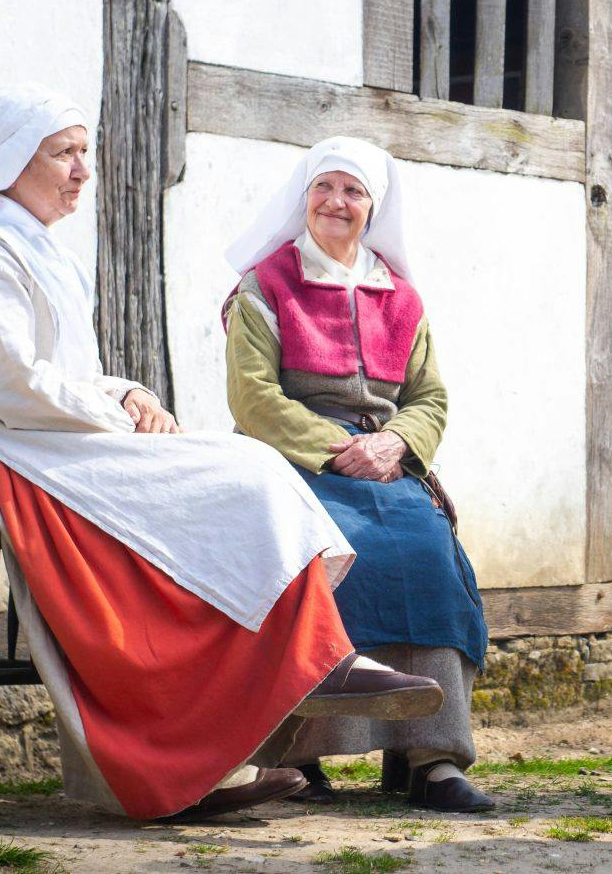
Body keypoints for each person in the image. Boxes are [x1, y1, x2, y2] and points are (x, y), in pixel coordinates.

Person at [0, 86, 443, 822]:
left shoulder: (34, 246)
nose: (83, 169)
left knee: (242, 473)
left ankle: (281, 687)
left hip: (34, 430)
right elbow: (13, 387)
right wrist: (117, 409)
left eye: (85, 152)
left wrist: (127, 389)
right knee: (240, 473)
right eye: (64, 153)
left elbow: (49, 378)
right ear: (14, 161)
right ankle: (280, 687)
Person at [221, 136, 492, 813]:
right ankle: (294, 755)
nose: (336, 202)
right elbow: (253, 399)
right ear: (304, 196)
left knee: (430, 553)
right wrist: (337, 447)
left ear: (374, 207)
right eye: (324, 187)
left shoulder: (401, 296)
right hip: (293, 459)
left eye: (353, 191)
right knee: (322, 552)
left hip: (385, 462)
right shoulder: (266, 285)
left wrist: (396, 442)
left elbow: (430, 397)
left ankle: (433, 758)